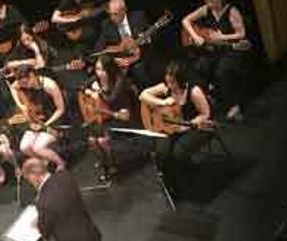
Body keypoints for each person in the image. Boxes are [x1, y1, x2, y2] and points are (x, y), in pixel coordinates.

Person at [139, 61, 214, 194]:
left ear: (180, 80)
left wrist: (187, 126)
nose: (169, 85)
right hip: (172, 128)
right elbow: (143, 95)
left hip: (192, 127)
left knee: (178, 152)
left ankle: (185, 180)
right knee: (162, 151)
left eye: (172, 82)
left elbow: (206, 113)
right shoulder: (165, 88)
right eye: (167, 82)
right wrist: (162, 101)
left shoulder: (193, 91)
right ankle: (170, 184)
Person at [182, 0, 249, 120]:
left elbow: (241, 34)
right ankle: (207, 101)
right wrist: (195, 36)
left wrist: (222, 37)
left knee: (222, 71)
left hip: (231, 50)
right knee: (199, 66)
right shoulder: (206, 9)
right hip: (214, 50)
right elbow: (185, 20)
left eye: (212, 1)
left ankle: (234, 104)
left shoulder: (231, 11)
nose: (210, 3)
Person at [81, 54, 139, 182]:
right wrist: (90, 92)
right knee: (91, 140)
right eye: (97, 69)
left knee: (102, 141)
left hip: (120, 115)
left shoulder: (119, 80)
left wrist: (99, 92)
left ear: (109, 69)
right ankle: (103, 163)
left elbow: (111, 100)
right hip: (104, 115)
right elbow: (83, 86)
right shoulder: (96, 78)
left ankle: (112, 165)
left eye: (102, 69)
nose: (99, 73)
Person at [9, 66, 67, 171]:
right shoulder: (22, 84)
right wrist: (20, 105)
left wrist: (45, 125)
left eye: (25, 83)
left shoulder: (50, 85)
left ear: (32, 76)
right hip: (36, 119)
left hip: (53, 120)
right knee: (24, 147)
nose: (24, 87)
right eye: (22, 84)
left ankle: (60, 162)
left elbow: (60, 109)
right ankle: (44, 160)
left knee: (38, 147)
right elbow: (13, 87)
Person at [94, 0, 150, 87]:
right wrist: (117, 52)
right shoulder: (107, 24)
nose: (112, 18)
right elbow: (98, 48)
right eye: (111, 14)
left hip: (141, 56)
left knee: (139, 69)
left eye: (116, 14)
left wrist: (136, 55)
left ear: (124, 11)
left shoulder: (138, 17)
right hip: (120, 62)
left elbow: (150, 39)